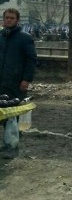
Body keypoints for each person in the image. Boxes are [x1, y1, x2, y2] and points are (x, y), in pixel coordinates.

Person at [0, 8, 37, 159]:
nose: (8, 20)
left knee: (12, 115)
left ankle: (12, 146)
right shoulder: (1, 37)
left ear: (17, 20)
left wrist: (26, 79)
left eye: (11, 18)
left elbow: (31, 60)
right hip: (1, 81)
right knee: (2, 114)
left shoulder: (24, 38)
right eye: (6, 18)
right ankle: (8, 142)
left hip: (16, 82)